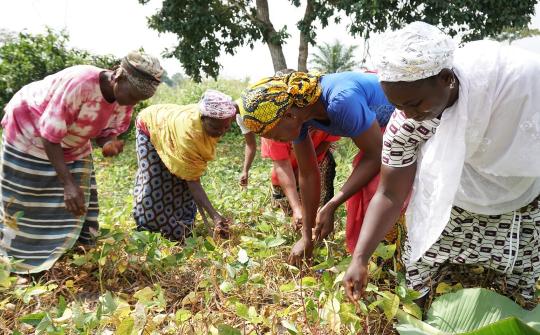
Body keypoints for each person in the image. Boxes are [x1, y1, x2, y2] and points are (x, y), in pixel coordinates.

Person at [343, 21, 540, 305]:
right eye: (399, 106)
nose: (408, 115)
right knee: (421, 265)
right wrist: (360, 258)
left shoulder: (518, 82)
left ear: (446, 78)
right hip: (453, 202)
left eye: (414, 103)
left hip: (520, 199)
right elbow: (389, 192)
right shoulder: (407, 125)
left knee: (521, 281)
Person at [0, 51, 162, 273]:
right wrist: (67, 183)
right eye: (132, 95)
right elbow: (49, 135)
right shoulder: (80, 84)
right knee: (25, 200)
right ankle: (17, 260)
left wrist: (108, 143)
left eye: (138, 100)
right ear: (119, 77)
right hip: (29, 131)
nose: (132, 103)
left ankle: (74, 249)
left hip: (71, 140)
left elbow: (105, 131)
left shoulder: (125, 99)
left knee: (83, 199)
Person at [239, 71, 395, 266]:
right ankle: (375, 262)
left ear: (288, 115)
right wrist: (306, 236)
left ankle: (393, 265)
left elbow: (376, 155)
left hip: (410, 122)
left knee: (381, 191)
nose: (275, 141)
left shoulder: (341, 101)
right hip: (379, 134)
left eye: (274, 134)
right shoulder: (302, 114)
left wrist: (331, 206)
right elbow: (308, 173)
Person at [132, 90, 236, 241]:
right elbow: (193, 181)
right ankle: (147, 230)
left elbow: (189, 177)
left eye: (226, 127)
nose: (220, 132)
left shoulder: (214, 121)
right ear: (203, 118)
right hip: (150, 126)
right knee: (155, 180)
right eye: (215, 127)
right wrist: (214, 215)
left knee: (180, 183)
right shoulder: (189, 134)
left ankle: (182, 227)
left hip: (171, 123)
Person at [261, 129, 339, 230]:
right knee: (291, 222)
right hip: (287, 173)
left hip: (318, 162)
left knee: (318, 217)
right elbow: (282, 165)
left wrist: (304, 166)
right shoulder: (272, 126)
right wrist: (297, 208)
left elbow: (326, 141)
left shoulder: (329, 117)